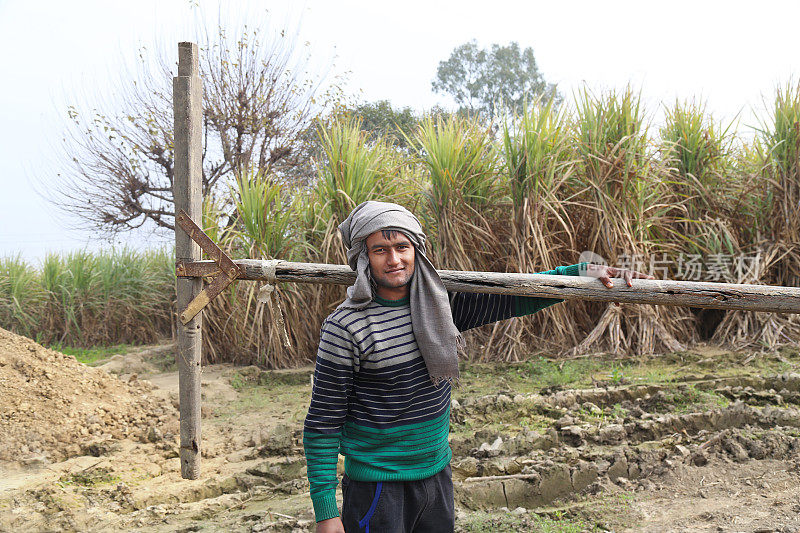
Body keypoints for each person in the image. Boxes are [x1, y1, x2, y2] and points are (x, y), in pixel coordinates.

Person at [303, 201, 653, 533]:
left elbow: (517, 296)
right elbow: (323, 421)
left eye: (402, 247)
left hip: (436, 477)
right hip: (377, 489)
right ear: (363, 257)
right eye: (380, 250)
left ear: (417, 251)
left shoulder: (440, 307)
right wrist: (326, 512)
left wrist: (581, 275)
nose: (394, 259)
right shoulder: (346, 327)